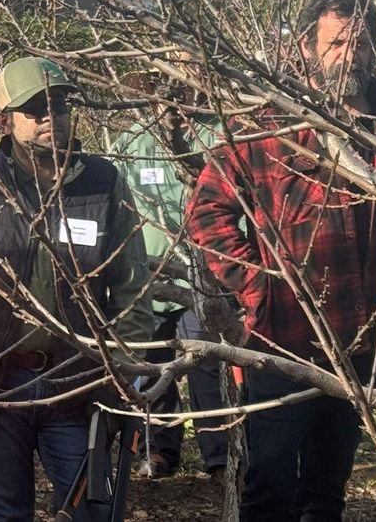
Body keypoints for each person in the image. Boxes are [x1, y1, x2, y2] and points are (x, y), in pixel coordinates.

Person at [187, 0, 376, 521]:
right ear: (307, 48)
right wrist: (260, 285)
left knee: (327, 487)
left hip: (363, 340)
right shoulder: (268, 124)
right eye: (337, 43)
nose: (351, 55)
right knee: (269, 483)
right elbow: (206, 212)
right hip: (286, 338)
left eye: (362, 44)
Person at [0, 57, 152, 522]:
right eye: (35, 108)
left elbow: (132, 289)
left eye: (59, 105)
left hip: (77, 385)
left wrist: (123, 375)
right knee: (2, 513)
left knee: (92, 511)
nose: (50, 117)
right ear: (4, 120)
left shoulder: (103, 182)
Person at [112, 94, 229, 480]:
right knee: (149, 366)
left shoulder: (217, 137)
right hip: (147, 280)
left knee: (206, 364)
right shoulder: (133, 143)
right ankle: (158, 450)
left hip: (202, 279)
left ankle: (221, 456)